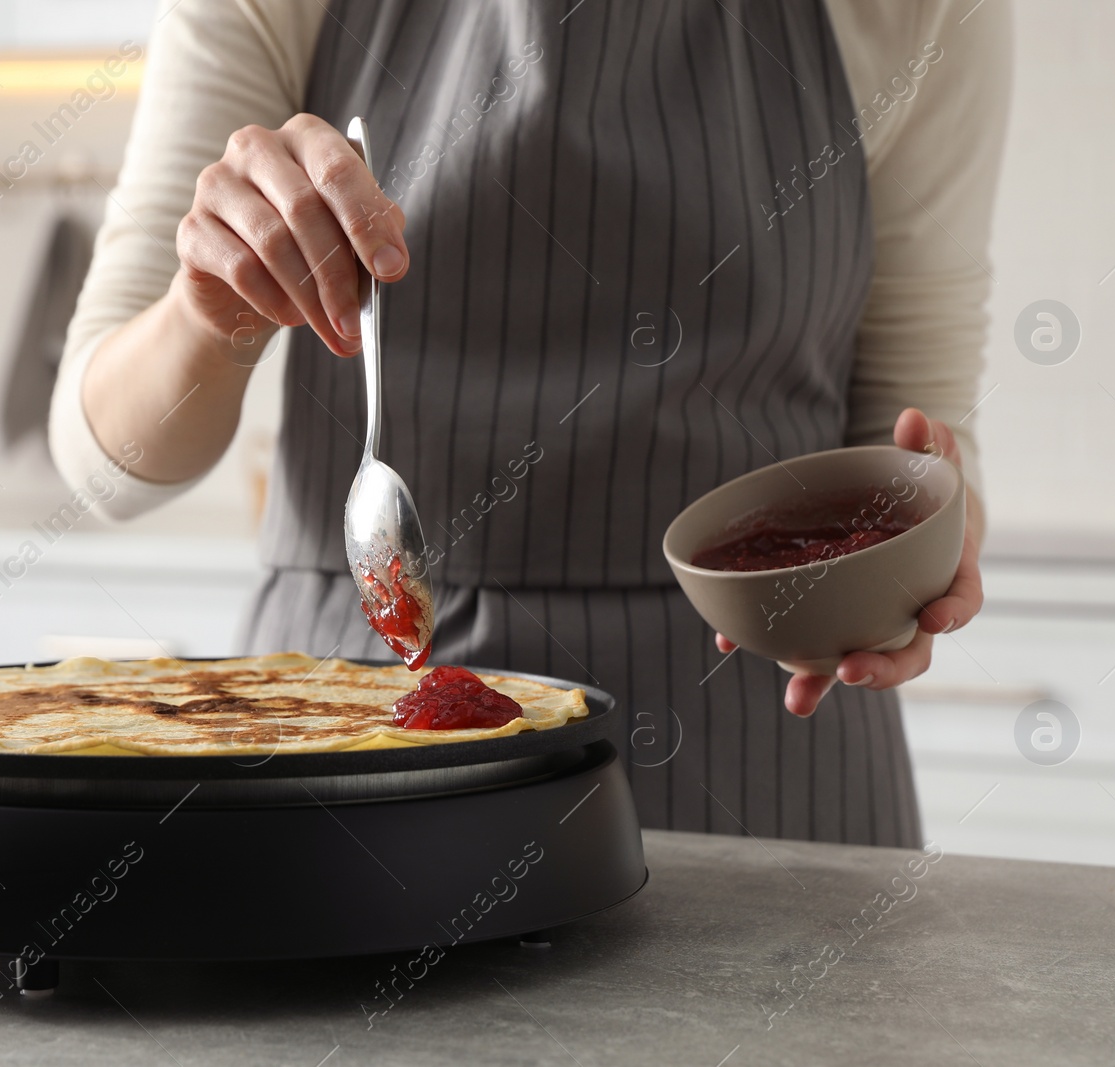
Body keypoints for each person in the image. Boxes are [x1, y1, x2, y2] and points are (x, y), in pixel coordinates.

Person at [50, 0, 1011, 846]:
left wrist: (916, 557)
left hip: (758, 727)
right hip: (350, 727)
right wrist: (205, 315)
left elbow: (911, 440)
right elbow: (110, 466)